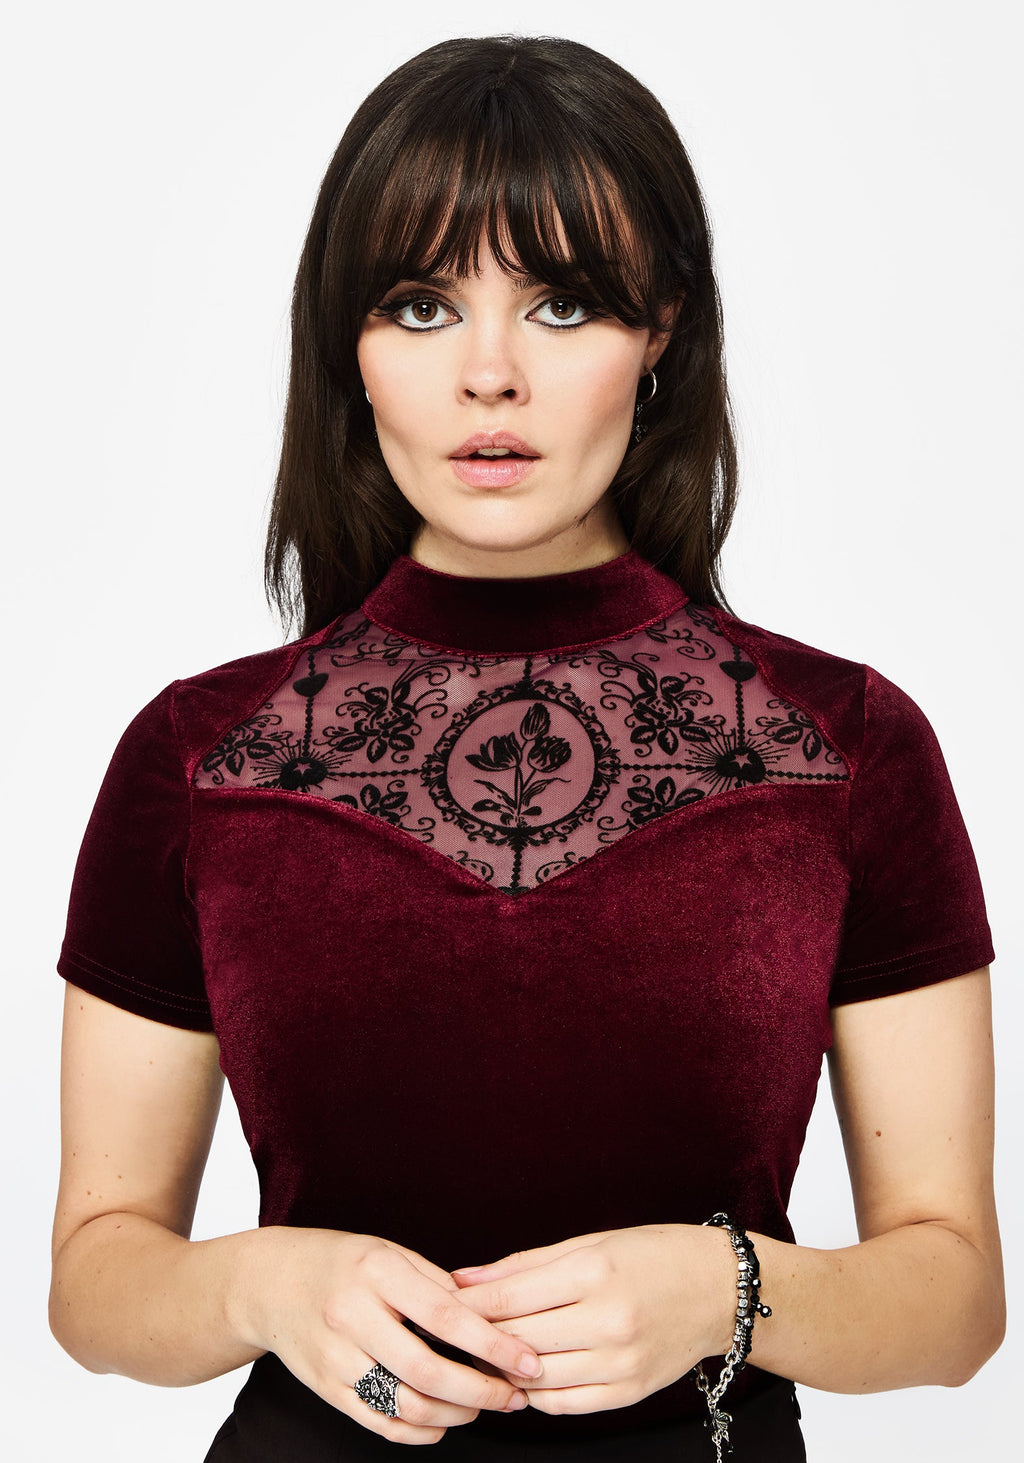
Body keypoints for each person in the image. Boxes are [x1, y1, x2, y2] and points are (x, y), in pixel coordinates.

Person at [49, 34, 1004, 1463]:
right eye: (421, 306)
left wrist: (726, 1289)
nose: (489, 375)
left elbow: (956, 1300)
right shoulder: (201, 755)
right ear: (350, 348)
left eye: (562, 304)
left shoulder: (846, 747)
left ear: (661, 332)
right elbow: (94, 1278)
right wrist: (261, 1283)